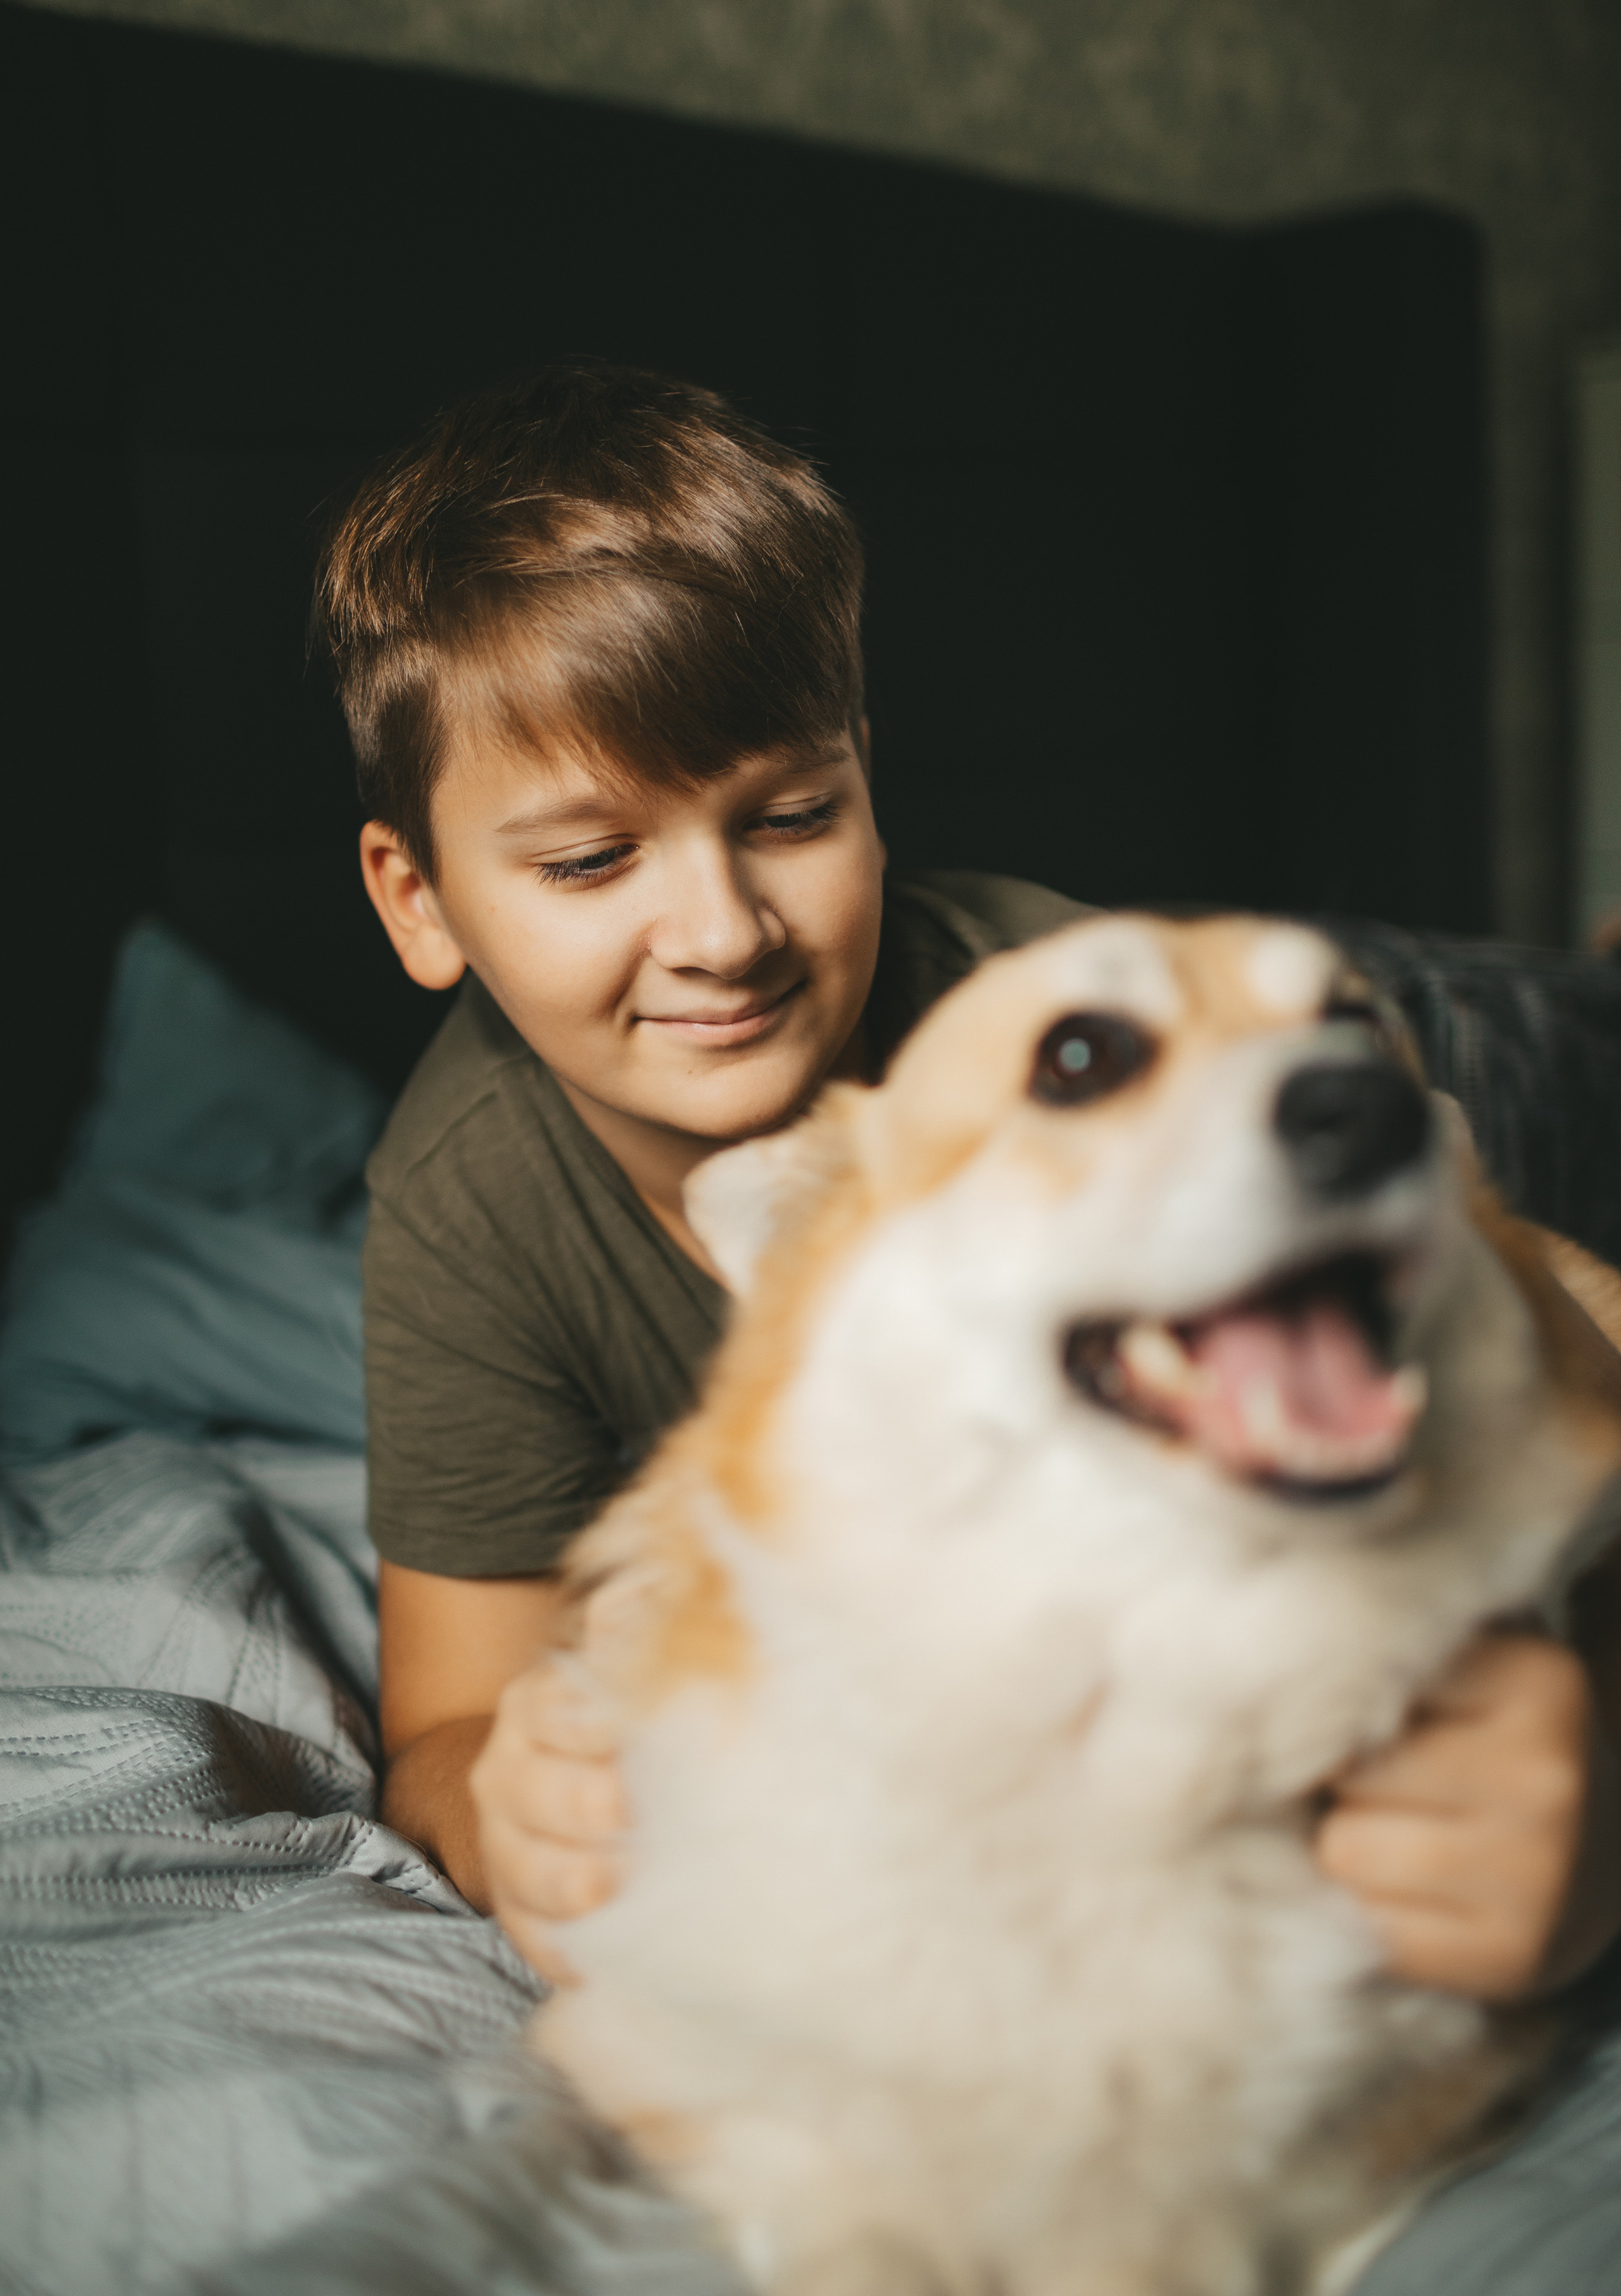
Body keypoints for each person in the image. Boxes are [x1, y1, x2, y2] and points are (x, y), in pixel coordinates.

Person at [320, 362, 1621, 2012]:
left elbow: (1563, 1374)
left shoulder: (1060, 1010)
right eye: (591, 861)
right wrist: (517, 1815)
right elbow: (446, 1727)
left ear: (869, 781)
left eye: (793, 816)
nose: (723, 933)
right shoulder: (471, 1200)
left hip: (1373, 1050)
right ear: (417, 898)